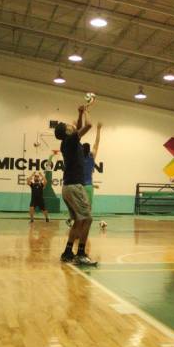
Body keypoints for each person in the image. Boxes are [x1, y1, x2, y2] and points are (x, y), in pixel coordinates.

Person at [54, 106, 97, 267]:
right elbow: (88, 125)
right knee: (87, 219)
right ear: (67, 132)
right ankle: (81, 254)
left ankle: (67, 252)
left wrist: (79, 113)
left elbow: (78, 127)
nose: (70, 125)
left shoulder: (67, 142)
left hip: (67, 187)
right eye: (68, 125)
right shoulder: (71, 140)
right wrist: (87, 112)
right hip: (74, 186)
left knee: (79, 221)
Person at [82, 122, 102, 218]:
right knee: (88, 207)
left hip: (80, 186)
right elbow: (96, 143)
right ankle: (87, 221)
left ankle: (76, 220)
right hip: (89, 186)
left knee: (80, 206)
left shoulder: (79, 158)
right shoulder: (92, 156)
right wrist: (98, 129)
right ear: (89, 149)